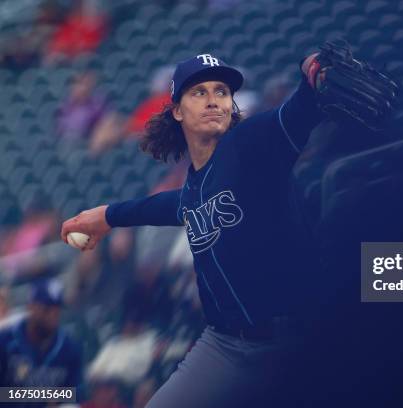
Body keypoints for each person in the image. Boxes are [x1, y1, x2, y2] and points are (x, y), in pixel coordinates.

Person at [61, 51, 325, 407]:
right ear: (177, 110)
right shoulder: (195, 186)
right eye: (199, 92)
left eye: (222, 91)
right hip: (227, 346)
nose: (214, 99)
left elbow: (292, 116)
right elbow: (171, 206)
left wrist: (311, 83)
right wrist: (108, 216)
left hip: (299, 337)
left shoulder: (252, 144)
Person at [0, 280, 82, 406]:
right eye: (47, 309)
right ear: (31, 307)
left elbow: (77, 393)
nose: (53, 316)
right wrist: (43, 395)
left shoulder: (69, 347)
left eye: (57, 310)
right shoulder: (5, 341)